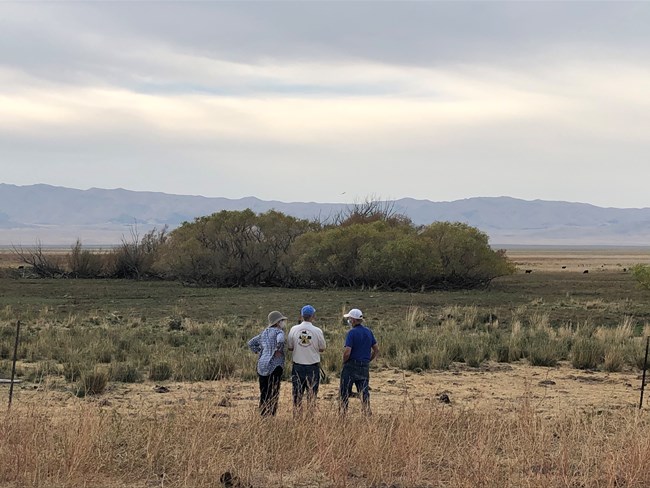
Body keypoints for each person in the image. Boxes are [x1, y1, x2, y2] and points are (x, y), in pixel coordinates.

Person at [339, 308, 379, 415]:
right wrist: (368, 360)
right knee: (364, 391)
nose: (349, 321)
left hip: (351, 365)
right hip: (364, 366)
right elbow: (376, 349)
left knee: (344, 391)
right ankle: (367, 412)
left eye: (349, 319)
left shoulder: (351, 333)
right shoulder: (368, 332)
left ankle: (343, 413)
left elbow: (347, 351)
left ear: (353, 320)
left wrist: (344, 362)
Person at [287, 304, 326, 411]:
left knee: (297, 395)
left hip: (298, 366)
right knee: (312, 395)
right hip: (312, 367)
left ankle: (297, 417)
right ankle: (310, 418)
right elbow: (322, 348)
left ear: (301, 316)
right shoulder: (317, 331)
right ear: (313, 316)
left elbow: (290, 347)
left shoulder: (294, 329)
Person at [247, 311, 287, 416]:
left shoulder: (264, 333)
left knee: (264, 392)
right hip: (275, 365)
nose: (283, 323)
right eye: (282, 320)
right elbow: (281, 340)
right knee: (273, 391)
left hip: (262, 365)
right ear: (278, 322)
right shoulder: (279, 332)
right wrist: (279, 349)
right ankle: (271, 414)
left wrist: (259, 351)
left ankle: (263, 414)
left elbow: (251, 343)